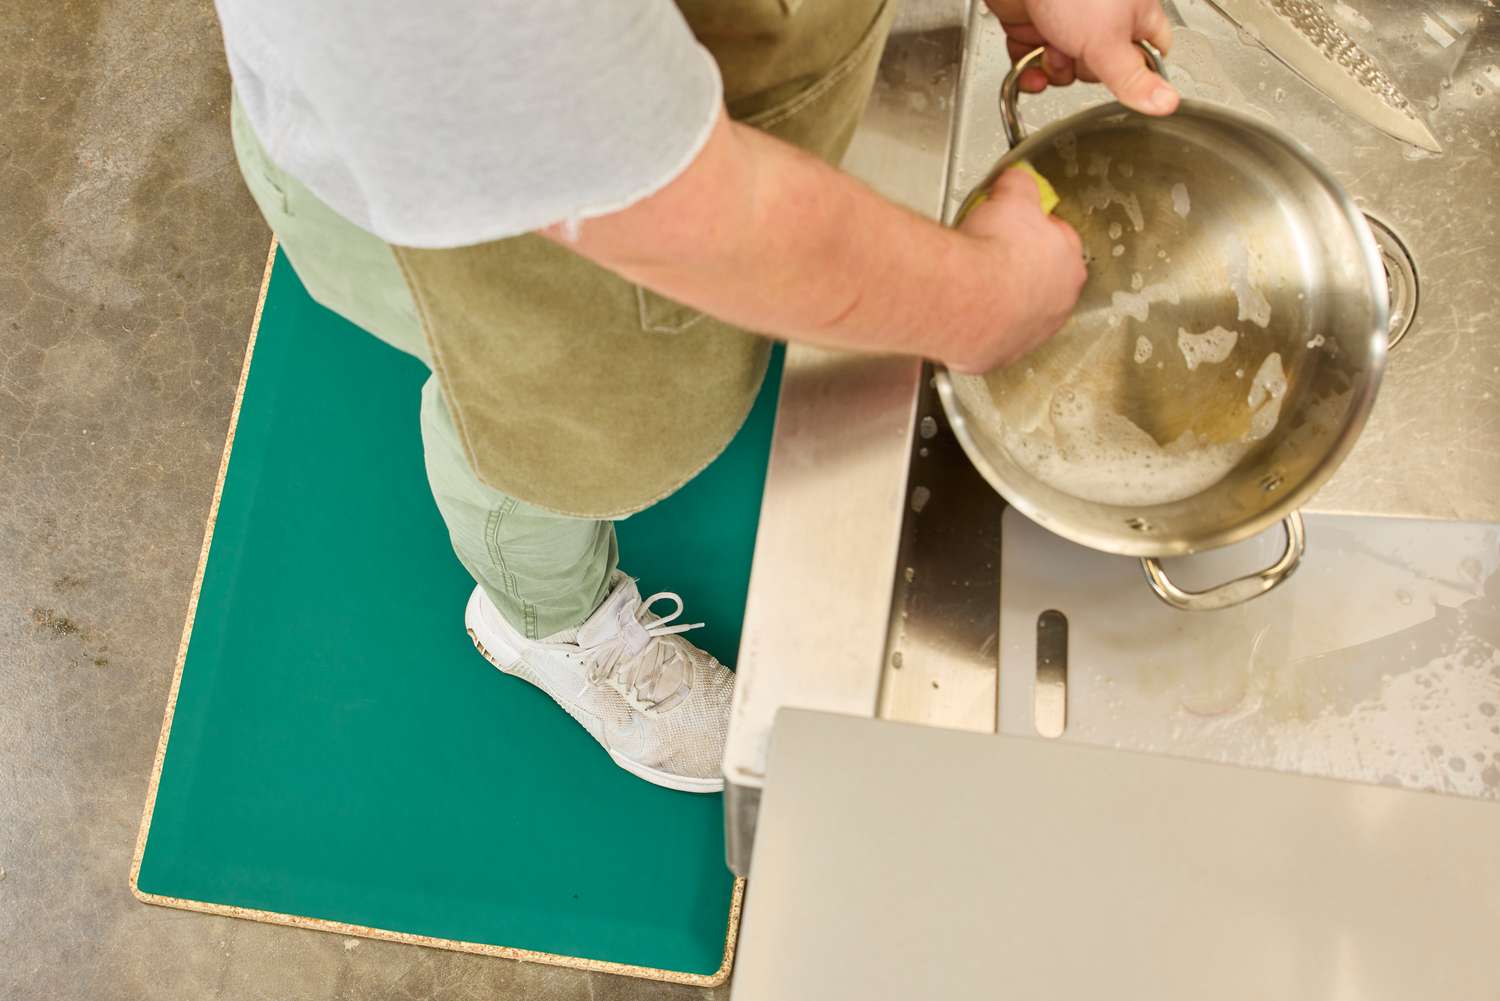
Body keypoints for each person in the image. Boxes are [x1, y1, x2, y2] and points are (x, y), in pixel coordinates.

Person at [214, 0, 1178, 794]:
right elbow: (655, 201)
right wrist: (979, 306)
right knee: (533, 423)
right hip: (489, 223)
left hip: (670, 121)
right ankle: (544, 622)